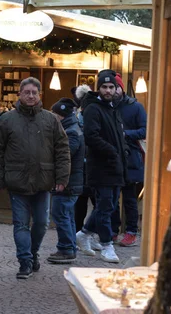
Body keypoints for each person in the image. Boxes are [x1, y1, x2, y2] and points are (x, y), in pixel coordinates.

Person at [0, 77, 70, 280]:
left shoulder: (50, 119)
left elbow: (62, 149)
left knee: (42, 223)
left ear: (39, 94)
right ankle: (25, 261)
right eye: (27, 92)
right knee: (21, 225)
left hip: (43, 181)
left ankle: (32, 253)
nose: (31, 96)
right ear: (20, 94)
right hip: (17, 181)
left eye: (34, 92)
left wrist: (62, 177)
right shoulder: (7, 120)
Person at [76, 70, 128, 263]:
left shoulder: (112, 108)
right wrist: (112, 152)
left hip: (116, 166)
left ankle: (84, 233)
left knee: (109, 206)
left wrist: (123, 155)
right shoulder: (92, 109)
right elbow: (91, 137)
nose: (108, 90)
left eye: (111, 87)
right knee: (105, 208)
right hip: (101, 167)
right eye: (104, 87)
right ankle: (107, 245)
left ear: (116, 89)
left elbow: (118, 136)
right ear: (99, 89)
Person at [48, 98, 85, 264]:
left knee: (61, 213)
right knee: (66, 215)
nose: (52, 117)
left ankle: (66, 249)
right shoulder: (70, 128)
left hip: (68, 182)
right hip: (71, 181)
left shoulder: (70, 132)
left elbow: (64, 155)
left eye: (54, 114)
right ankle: (69, 247)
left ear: (61, 115)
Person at [111, 73, 146, 247]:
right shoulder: (105, 106)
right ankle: (112, 231)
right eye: (109, 87)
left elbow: (145, 130)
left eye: (116, 87)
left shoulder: (135, 107)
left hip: (130, 158)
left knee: (130, 198)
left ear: (121, 88)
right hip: (110, 157)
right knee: (111, 197)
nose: (113, 90)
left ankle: (131, 231)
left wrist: (125, 134)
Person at [73, 84, 96, 233]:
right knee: (87, 201)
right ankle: (84, 232)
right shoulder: (77, 115)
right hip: (85, 162)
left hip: (88, 162)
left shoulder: (82, 115)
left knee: (90, 201)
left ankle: (83, 232)